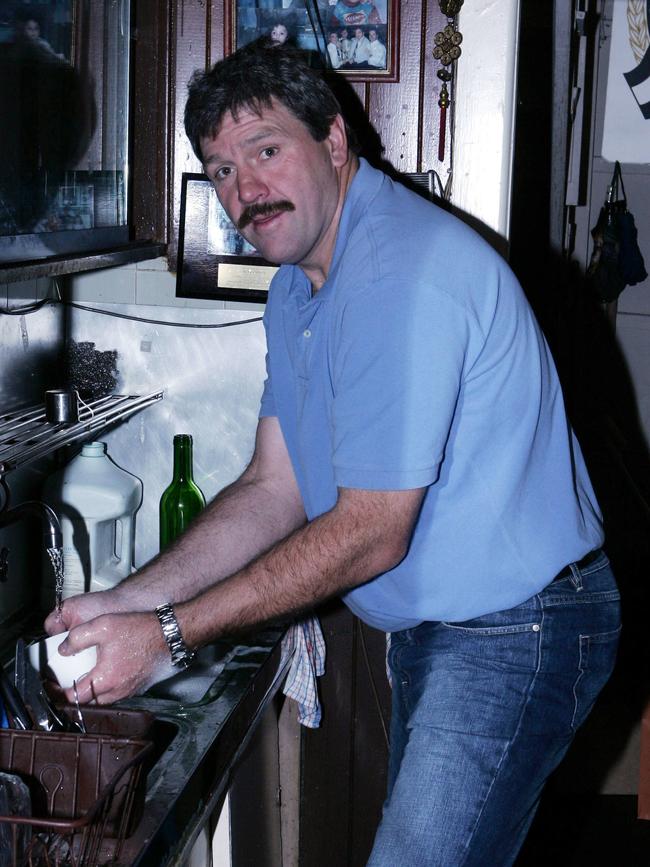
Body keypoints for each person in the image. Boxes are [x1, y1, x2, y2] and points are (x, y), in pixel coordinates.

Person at [46, 40, 621, 866]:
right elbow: (271, 488)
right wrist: (128, 602)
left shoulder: (400, 272)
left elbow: (371, 530)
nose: (245, 190)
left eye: (266, 151)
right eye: (221, 171)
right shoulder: (298, 288)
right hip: (443, 629)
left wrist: (168, 635)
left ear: (335, 142)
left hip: (517, 626)